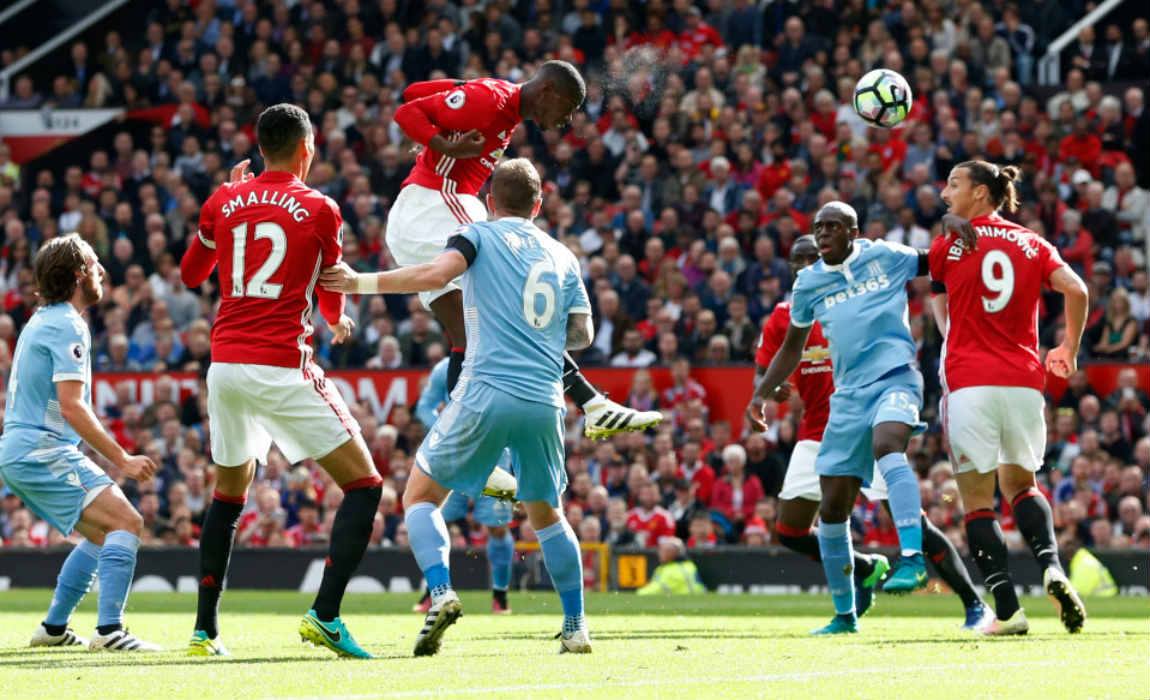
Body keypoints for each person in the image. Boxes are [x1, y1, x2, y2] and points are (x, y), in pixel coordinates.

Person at [321, 158, 594, 655]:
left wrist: (358, 283)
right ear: (538, 204)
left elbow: (432, 274)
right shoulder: (564, 255)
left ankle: (442, 594)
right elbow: (583, 334)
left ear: (491, 201)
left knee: (420, 498)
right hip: (545, 399)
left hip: (486, 387)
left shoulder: (477, 235)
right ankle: (576, 626)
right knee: (549, 515)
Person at [179, 104, 383, 659]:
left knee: (227, 494)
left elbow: (192, 274)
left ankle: (203, 631)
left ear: (260, 147)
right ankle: (326, 615)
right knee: (365, 486)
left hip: (224, 366)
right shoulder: (320, 208)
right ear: (306, 148)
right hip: (281, 364)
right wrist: (337, 316)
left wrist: (220, 211)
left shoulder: (224, 199)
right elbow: (331, 280)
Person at [388, 60, 659, 440]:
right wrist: (444, 141)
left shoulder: (495, 102)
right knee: (513, 309)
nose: (564, 122)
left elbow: (414, 91)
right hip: (436, 205)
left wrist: (461, 87)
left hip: (420, 218)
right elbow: (407, 111)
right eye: (565, 109)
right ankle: (591, 403)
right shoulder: (489, 101)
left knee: (470, 337)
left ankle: (458, 446)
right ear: (547, 91)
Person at [748, 201, 977, 635]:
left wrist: (949, 227)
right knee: (827, 513)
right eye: (818, 229)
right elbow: (789, 351)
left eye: (832, 227)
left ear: (853, 232)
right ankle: (845, 614)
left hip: (895, 377)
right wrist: (760, 395)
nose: (823, 236)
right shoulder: (806, 292)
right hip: (842, 405)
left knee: (889, 446)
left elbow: (936, 261)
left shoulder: (883, 256)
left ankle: (916, 564)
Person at [932, 160, 1090, 635]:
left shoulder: (950, 244)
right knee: (1022, 486)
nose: (945, 193)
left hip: (971, 383)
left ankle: (1007, 611)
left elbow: (936, 280)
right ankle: (1053, 567)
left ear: (980, 193)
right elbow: (1078, 289)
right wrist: (1068, 348)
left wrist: (948, 230)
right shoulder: (1033, 242)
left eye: (954, 184)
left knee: (978, 502)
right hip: (1024, 381)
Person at [1, 234, 161, 651]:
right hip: (41, 449)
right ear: (78, 275)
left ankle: (53, 629)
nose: (103, 272)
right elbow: (72, 407)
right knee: (127, 523)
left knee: (103, 534)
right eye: (94, 265)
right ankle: (110, 631)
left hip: (27, 449)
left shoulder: (44, 318)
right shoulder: (66, 323)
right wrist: (122, 459)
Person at [412, 357, 516, 615]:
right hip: (455, 454)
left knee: (498, 529)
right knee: (436, 519)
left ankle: (500, 595)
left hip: (495, 455)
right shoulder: (444, 368)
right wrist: (445, 429)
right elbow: (424, 407)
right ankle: (433, 591)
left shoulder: (498, 360)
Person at [635, 537, 705, 594]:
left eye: (665, 551)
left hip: (687, 601)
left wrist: (639, 592)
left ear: (674, 552)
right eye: (660, 550)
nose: (660, 554)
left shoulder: (675, 569)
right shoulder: (687, 565)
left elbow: (655, 590)